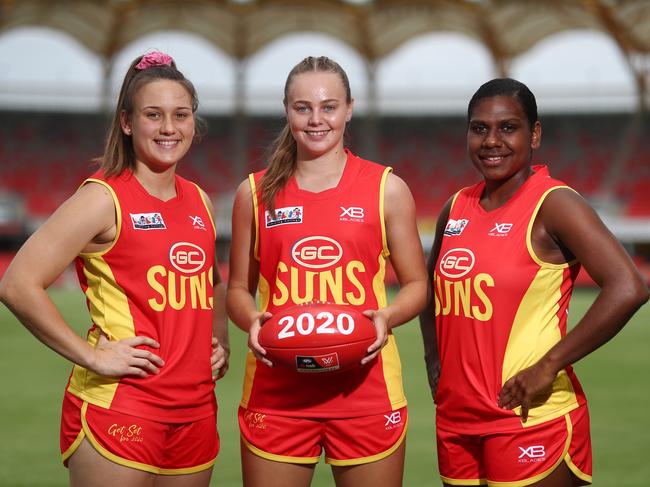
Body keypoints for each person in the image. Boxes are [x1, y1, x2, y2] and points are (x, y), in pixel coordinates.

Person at [0, 51, 229, 486]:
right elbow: (18, 283)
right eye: (153, 114)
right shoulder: (103, 198)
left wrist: (221, 343)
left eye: (181, 115)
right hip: (123, 406)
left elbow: (212, 282)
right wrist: (91, 355)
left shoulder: (199, 200)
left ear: (193, 123)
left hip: (197, 411)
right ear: (127, 122)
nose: (168, 128)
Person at [419, 78, 649, 487]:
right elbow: (426, 287)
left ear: (535, 134)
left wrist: (549, 365)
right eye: (479, 128)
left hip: (530, 417)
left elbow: (629, 286)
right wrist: (432, 358)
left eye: (508, 128)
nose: (492, 141)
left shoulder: (555, 203)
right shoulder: (455, 207)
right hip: (456, 421)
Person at [226, 56, 428, 487]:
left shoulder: (387, 189)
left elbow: (417, 285)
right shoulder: (253, 193)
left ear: (349, 108)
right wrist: (252, 322)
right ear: (287, 111)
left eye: (329, 106)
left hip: (366, 390)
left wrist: (386, 318)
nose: (316, 119)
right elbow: (238, 290)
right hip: (277, 391)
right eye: (303, 108)